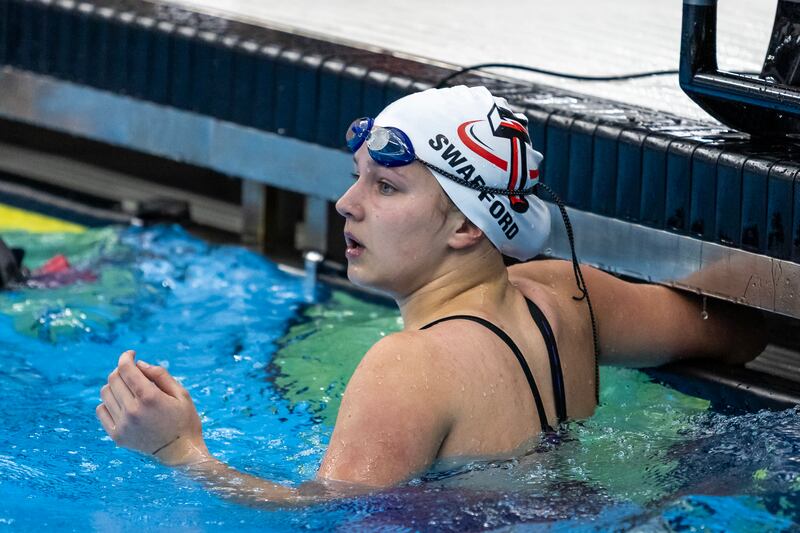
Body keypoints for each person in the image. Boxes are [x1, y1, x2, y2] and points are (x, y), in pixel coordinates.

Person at [96, 86, 766, 505]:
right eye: (356, 178)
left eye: (386, 187)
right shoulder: (568, 297)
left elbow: (314, 511)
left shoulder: (407, 366)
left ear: (467, 224)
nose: (346, 203)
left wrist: (183, 451)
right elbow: (735, 333)